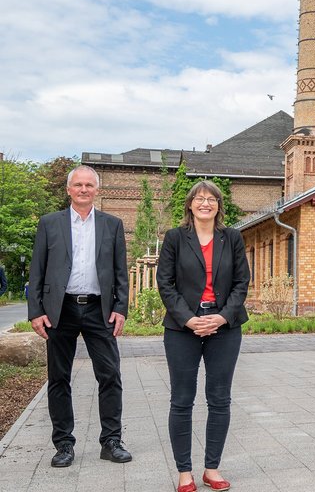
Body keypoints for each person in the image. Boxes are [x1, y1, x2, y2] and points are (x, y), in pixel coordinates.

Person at [27, 165, 132, 467]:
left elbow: (120, 272)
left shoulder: (112, 224)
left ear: (97, 190)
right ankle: (63, 445)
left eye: (89, 185)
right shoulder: (50, 223)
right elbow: (38, 269)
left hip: (100, 309)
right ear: (69, 189)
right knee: (59, 378)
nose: (84, 189)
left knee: (110, 375)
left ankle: (111, 441)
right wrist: (36, 311)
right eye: (78, 185)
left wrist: (120, 307)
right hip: (60, 310)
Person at [156, 181, 250, 492]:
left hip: (224, 327)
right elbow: (165, 284)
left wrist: (222, 317)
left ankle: (212, 468)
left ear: (219, 206)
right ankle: (185, 473)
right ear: (190, 205)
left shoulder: (232, 238)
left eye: (211, 199)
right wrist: (190, 319)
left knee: (219, 399)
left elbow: (241, 283)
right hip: (183, 329)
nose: (205, 203)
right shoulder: (174, 238)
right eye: (199, 198)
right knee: (182, 400)